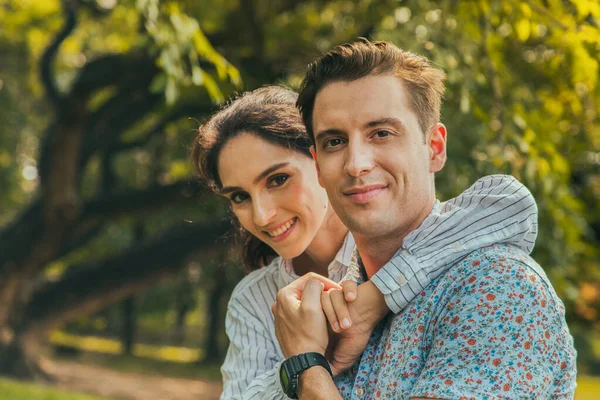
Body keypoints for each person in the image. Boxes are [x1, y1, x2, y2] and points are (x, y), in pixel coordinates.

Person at [191, 86, 544, 399]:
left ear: (319, 163)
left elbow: (511, 204)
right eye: (239, 197)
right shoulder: (254, 298)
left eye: (278, 179)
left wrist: (374, 298)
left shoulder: (392, 242)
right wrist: (307, 359)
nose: (263, 215)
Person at [272, 39, 577, 399]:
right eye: (335, 142)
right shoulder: (342, 303)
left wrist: (307, 364)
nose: (356, 164)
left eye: (381, 133)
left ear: (434, 148)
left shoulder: (498, 287)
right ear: (318, 167)